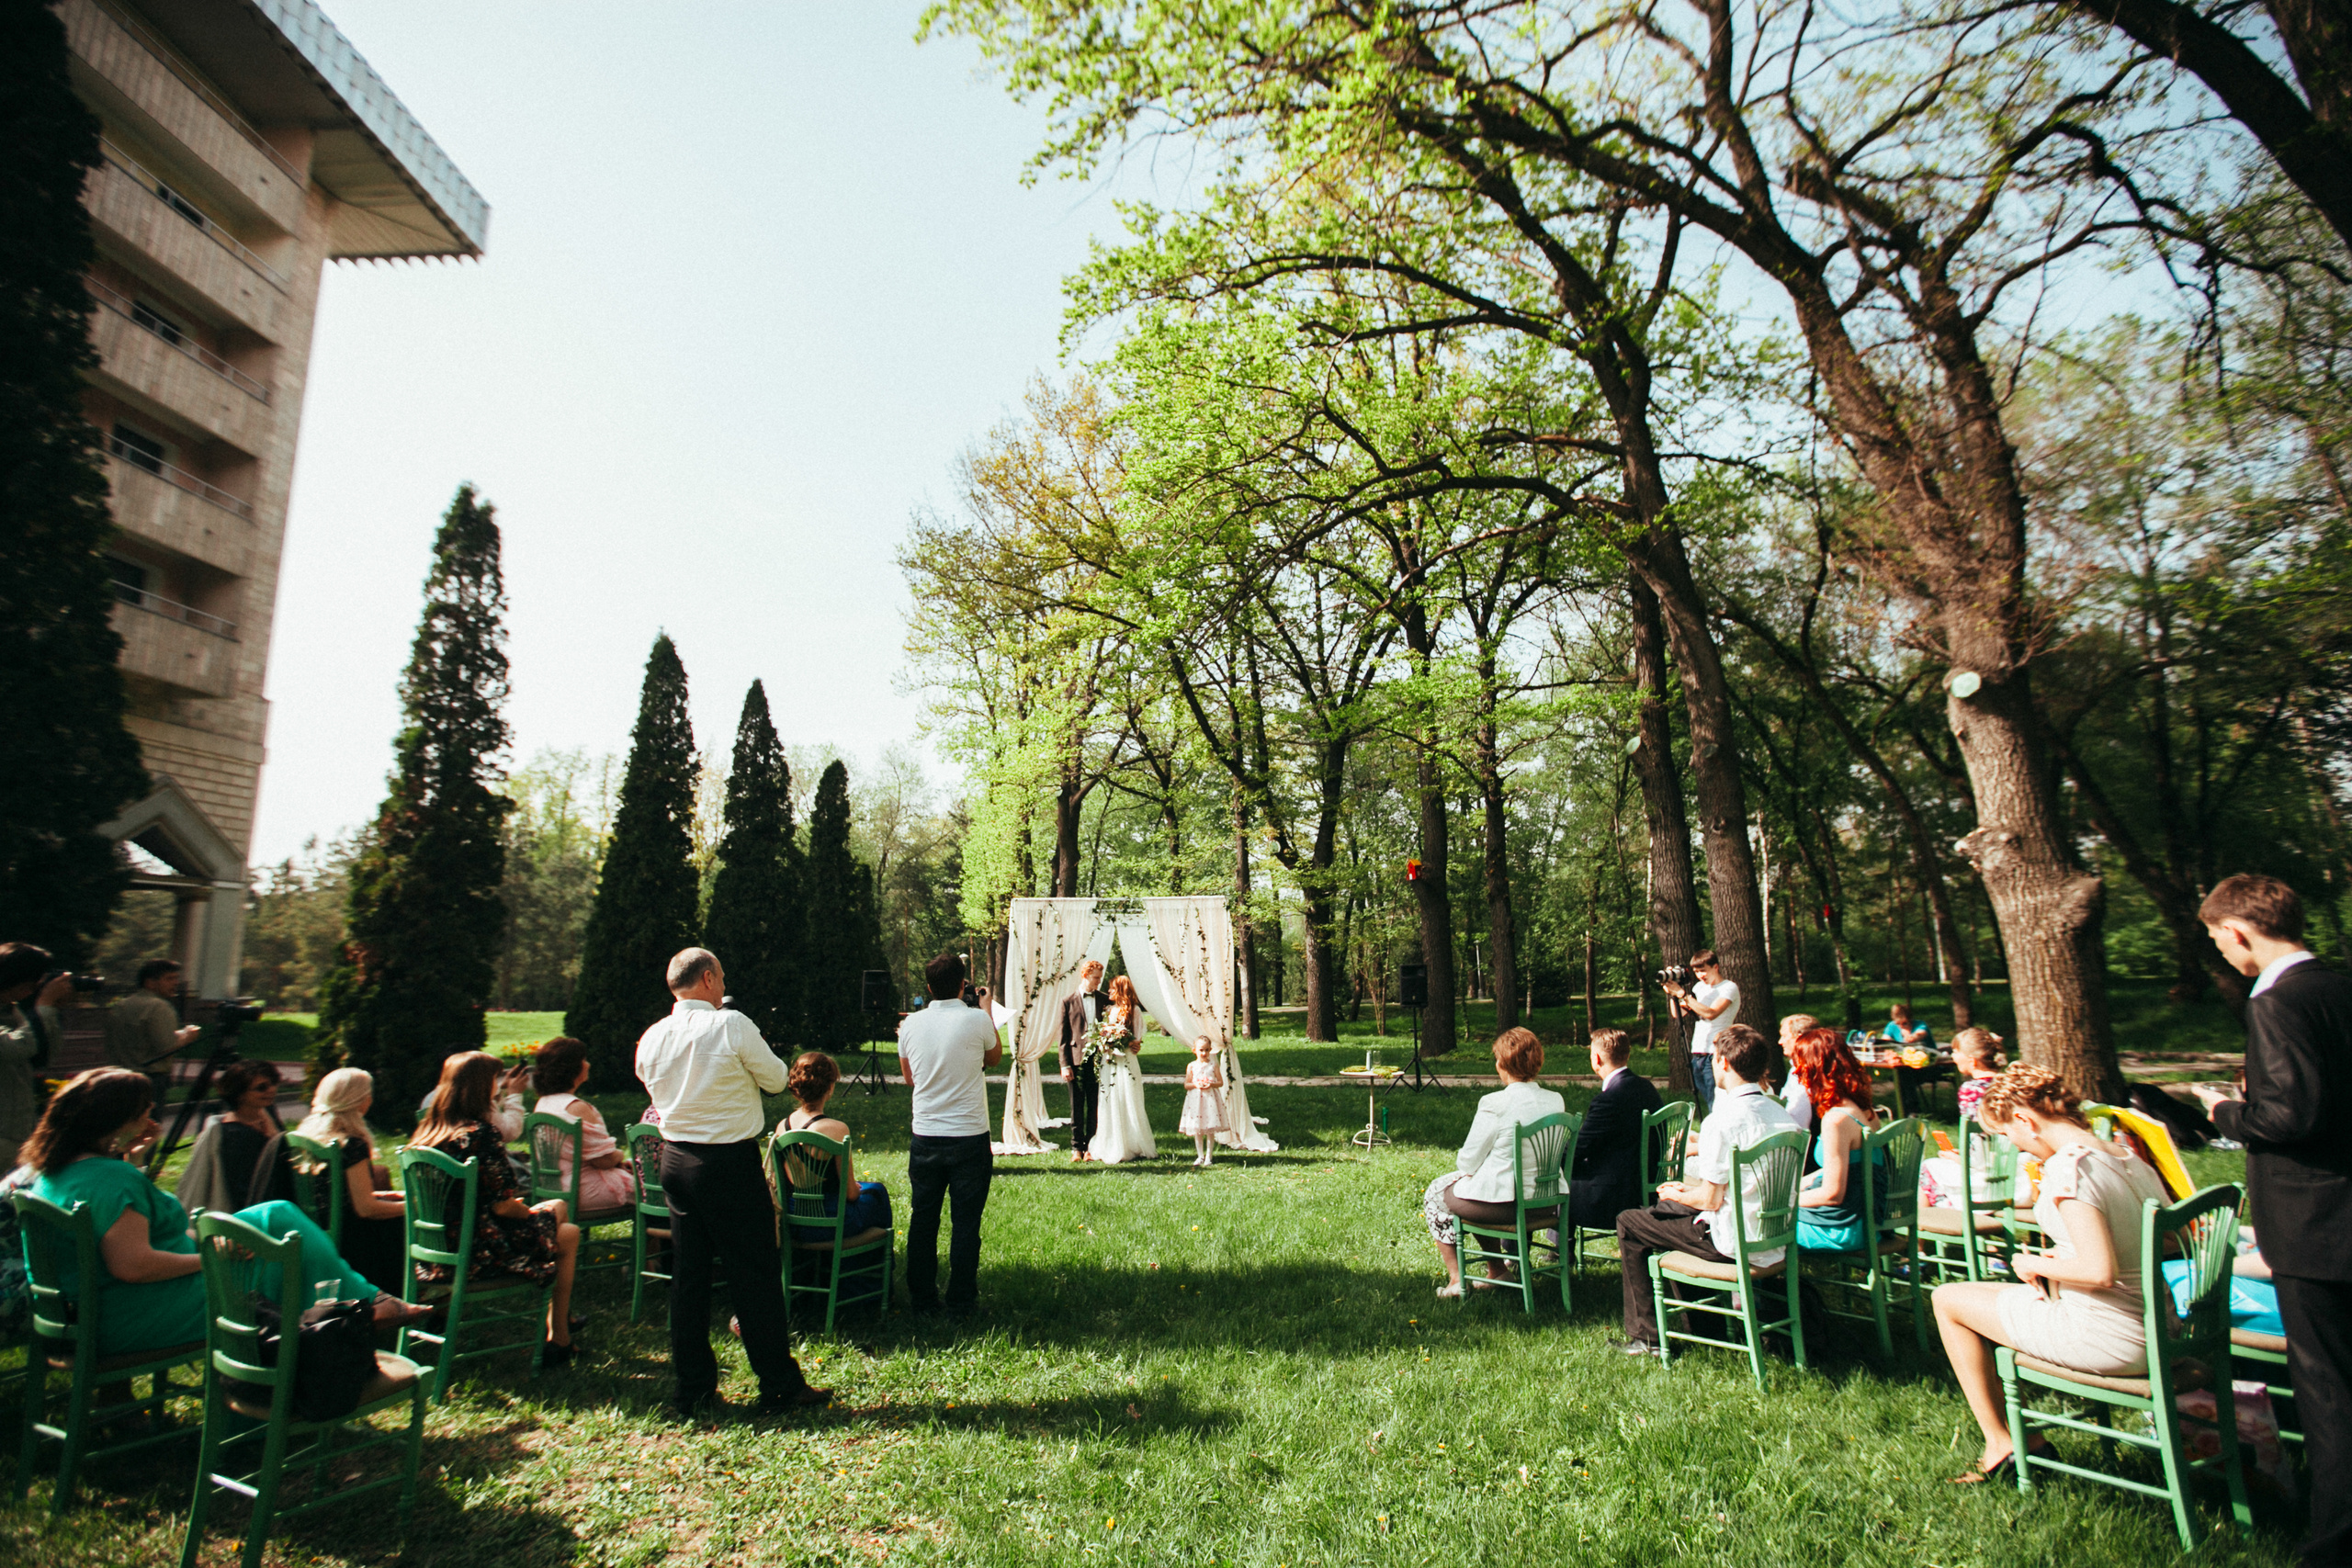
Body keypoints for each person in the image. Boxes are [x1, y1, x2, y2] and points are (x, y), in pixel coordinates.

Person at [22, 1069, 426, 1357]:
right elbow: (133, 1266)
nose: (151, 1121)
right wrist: (211, 1257)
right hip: (131, 1313)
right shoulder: (111, 1178)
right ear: (115, 1123)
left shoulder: (59, 1170)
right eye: (144, 1114)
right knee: (284, 1257)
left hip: (97, 1309)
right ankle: (355, 1319)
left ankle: (365, 1303)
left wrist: (132, 1154)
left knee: (276, 1215)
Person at [2190, 874, 2352, 1566]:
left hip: (2318, 1224)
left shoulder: (2277, 1001)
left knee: (2329, 1392)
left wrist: (2223, 1110)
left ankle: (2333, 1541)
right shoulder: (2339, 984)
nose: (2222, 953)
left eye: (2217, 940)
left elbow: (2290, 1115)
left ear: (2237, 930)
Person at [1931, 1064, 2171, 1483]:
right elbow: (2167, 1243)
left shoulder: (2070, 1169)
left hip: (2111, 1337)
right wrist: (2058, 1270)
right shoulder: (2128, 1157)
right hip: (2163, 1328)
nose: (2017, 1147)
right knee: (1974, 1298)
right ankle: (2018, 1440)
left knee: (1947, 1299)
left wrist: (2032, 1264)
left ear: (2026, 1119)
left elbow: (2099, 1271)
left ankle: (2001, 1443)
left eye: (2008, 1135)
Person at [637, 947, 821, 1416]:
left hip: (676, 1160)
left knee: (689, 1277)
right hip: (726, 1162)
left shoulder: (653, 1036)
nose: (722, 985)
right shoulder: (730, 1024)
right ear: (707, 979)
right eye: (720, 976)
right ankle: (779, 1384)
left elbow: (648, 1082)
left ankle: (693, 1389)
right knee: (754, 1273)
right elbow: (778, 1079)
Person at [1611, 1022, 1796, 1355]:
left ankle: (1647, 1337)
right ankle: (1703, 1324)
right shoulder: (1781, 1115)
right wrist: (1681, 1198)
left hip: (1734, 1241)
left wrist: (1678, 1193)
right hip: (1774, 1237)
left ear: (1724, 1062)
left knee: (1631, 1221)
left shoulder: (1722, 1120)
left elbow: (1710, 1199)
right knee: (1666, 1213)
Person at [409, 1052, 583, 1367]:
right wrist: (528, 1214)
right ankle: (559, 1334)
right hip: (481, 1250)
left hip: (437, 1250)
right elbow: (504, 1207)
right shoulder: (480, 1134)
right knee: (567, 1230)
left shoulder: (426, 1134)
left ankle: (562, 1328)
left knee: (558, 1210)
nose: (498, 1085)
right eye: (494, 1079)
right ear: (482, 1086)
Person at [1420, 1028, 1568, 1299]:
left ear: (1502, 1064)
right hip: (1548, 1203)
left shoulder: (1494, 1103)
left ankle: (1458, 1279)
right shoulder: (1555, 1100)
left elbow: (1468, 1161)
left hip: (1506, 1206)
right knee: (1471, 1191)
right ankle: (1496, 1270)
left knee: (1435, 1193)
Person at [897, 952, 1002, 1317]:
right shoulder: (976, 1020)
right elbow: (994, 1058)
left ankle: (922, 1298)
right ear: (963, 984)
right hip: (969, 1134)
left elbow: (909, 1077)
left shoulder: (911, 1024)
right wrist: (986, 1008)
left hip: (925, 1132)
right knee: (966, 1222)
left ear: (928, 988)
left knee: (923, 1218)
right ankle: (961, 1300)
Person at [277, 1066, 407, 1293]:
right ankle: (401, 1294)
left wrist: (392, 1197)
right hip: (352, 1235)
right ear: (361, 1101)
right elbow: (365, 1208)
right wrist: (414, 1207)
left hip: (316, 1224)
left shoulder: (307, 1134)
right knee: (403, 1223)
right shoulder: (351, 1144)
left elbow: (338, 1190)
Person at [1788, 1027, 1885, 1253]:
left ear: (1814, 1070)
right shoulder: (1866, 1110)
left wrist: (1785, 1201)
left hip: (1843, 1229)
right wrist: (1794, 1186)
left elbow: (1832, 1193)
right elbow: (1849, 1170)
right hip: (1871, 1221)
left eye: (1800, 1068)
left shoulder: (1836, 1121)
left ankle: (1772, 1285)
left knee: (1758, 1222)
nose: (1797, 1075)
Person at [778, 1051, 892, 1242]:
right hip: (831, 1222)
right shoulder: (837, 1129)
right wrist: (858, 1189)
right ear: (830, 1088)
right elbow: (850, 1194)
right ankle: (860, 1268)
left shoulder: (782, 1126)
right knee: (877, 1193)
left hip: (793, 1223)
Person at [1566, 1027, 1665, 1232]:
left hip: (1614, 1198)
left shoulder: (1609, 1100)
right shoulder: (1648, 1089)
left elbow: (1578, 1149)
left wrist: (1549, 1160)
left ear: (1596, 1059)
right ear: (1627, 1055)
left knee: (1560, 1175)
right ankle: (1558, 1248)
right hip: (1646, 1189)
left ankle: (1558, 1251)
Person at [529, 1036, 637, 1213]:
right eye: (584, 1060)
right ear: (574, 1069)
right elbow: (603, 1160)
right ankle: (660, 1239)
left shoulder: (543, 1103)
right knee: (655, 1192)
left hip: (551, 1190)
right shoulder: (576, 1108)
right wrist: (619, 1155)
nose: (588, 1064)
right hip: (584, 1191)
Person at [174, 1057, 284, 1214]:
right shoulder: (233, 1135)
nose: (271, 1090)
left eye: (273, 1083)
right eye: (261, 1088)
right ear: (240, 1094)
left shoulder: (267, 1115)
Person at [0, 942, 69, 1172]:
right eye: (32, 983)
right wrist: (44, 1007)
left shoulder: (11, 1009)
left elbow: (42, 1056)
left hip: (16, 1128)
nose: (33, 990)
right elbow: (19, 1047)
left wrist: (49, 1012)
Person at [1089, 975, 1157, 1165]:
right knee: (1110, 1100)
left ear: (1121, 990)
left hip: (1126, 1060)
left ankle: (1132, 1143)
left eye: (1112, 988)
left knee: (1128, 1099)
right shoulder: (1109, 1010)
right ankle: (1110, 1141)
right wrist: (1105, 1042)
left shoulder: (1134, 1011)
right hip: (1109, 1061)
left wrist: (1131, 1043)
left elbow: (1136, 1038)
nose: (1109, 991)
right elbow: (1102, 1033)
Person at [1661, 949, 1738, 1114]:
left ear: (1715, 967)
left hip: (1716, 1052)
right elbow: (1678, 1013)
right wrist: (1672, 994)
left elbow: (1711, 1013)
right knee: (1708, 1098)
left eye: (1703, 970)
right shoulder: (1699, 987)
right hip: (1698, 1052)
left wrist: (1682, 994)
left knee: (1716, 1101)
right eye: (1696, 972)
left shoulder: (1728, 987)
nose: (1700, 975)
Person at [103, 959, 198, 1074]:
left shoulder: (121, 1005)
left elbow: (140, 1039)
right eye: (169, 979)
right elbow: (167, 1049)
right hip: (150, 1077)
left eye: (176, 978)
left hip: (118, 1075)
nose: (176, 983)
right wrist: (188, 1035)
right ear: (150, 983)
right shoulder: (159, 1007)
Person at [1058, 959, 1106, 1161]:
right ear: (1085, 976)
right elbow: (1063, 1036)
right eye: (1095, 977)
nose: (1098, 981)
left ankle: (1091, 1146)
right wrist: (1065, 1065)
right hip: (1076, 1061)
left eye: (1100, 977)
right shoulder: (1068, 1001)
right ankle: (1076, 1147)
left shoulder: (1105, 999)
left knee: (1095, 1104)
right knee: (1076, 1105)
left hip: (1098, 1061)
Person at [1178, 1034, 1226, 1167]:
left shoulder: (1213, 1065)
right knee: (1197, 1128)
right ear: (1194, 1050)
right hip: (1196, 1100)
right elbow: (1187, 1084)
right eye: (1201, 1050)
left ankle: (1209, 1156)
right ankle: (1200, 1156)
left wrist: (1211, 1084)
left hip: (1210, 1099)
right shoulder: (1192, 1066)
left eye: (1207, 1050)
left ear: (1210, 1050)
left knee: (1210, 1128)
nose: (1204, 1053)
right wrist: (1196, 1085)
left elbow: (1220, 1082)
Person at [1776, 1014, 1821, 1135]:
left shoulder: (1804, 1076)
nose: (1780, 1042)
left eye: (1784, 1036)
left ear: (1799, 1039)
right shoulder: (1801, 1069)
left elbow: (1797, 1126)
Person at [1950, 1026, 2006, 1124]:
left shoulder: (1971, 1089)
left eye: (1955, 1052)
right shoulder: (2009, 1083)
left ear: (1972, 1061)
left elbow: (1974, 1127)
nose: (1952, 1056)